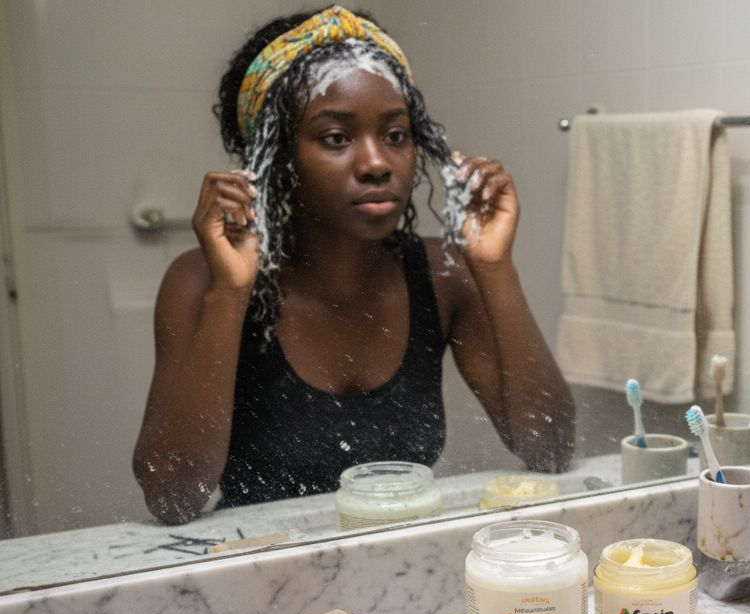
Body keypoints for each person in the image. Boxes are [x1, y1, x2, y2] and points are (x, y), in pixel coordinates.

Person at [133, 7, 574, 523]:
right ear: (274, 156)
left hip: (398, 560)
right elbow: (170, 497)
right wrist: (229, 294)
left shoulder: (444, 275)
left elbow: (551, 448)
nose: (376, 163)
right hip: (256, 572)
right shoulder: (200, 282)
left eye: (395, 135)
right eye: (336, 138)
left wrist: (495, 268)